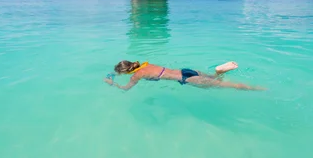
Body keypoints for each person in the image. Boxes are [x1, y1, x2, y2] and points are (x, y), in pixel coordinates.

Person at [104, 60, 264, 91]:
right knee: (212, 80)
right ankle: (217, 73)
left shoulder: (137, 75)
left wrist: (113, 84)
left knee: (225, 86)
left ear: (126, 72)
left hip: (186, 79)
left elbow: (126, 89)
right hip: (186, 70)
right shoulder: (145, 65)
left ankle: (259, 89)